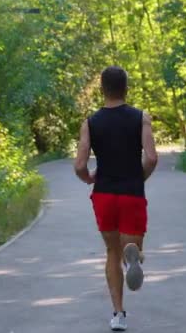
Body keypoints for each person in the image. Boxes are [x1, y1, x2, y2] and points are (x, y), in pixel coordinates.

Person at [74, 66, 158, 331]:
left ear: (102, 89)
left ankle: (118, 314)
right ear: (126, 88)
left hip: (105, 194)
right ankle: (133, 255)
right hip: (132, 193)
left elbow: (80, 164)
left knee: (111, 251)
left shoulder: (90, 122)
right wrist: (139, 177)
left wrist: (88, 177)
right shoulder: (141, 117)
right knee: (129, 245)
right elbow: (152, 157)